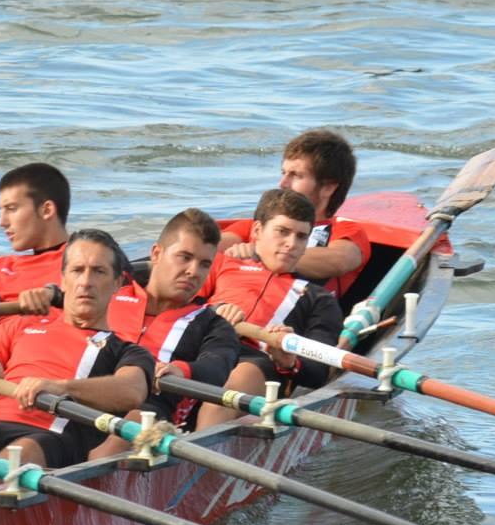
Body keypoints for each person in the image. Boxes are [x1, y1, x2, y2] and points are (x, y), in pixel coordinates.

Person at [0, 229, 154, 471]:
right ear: (63, 279)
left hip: (45, 438)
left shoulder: (126, 350)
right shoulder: (19, 325)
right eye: (77, 270)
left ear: (118, 283)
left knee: (16, 457)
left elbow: (132, 390)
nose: (86, 282)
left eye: (99, 272)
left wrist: (59, 387)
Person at [197, 188, 343, 430]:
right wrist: (215, 310)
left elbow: (318, 371)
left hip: (256, 360)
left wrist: (289, 361)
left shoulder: (319, 298)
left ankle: (198, 453)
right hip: (200, 343)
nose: (291, 244)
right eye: (282, 232)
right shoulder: (223, 263)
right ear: (257, 231)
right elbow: (178, 306)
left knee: (237, 381)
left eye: (301, 237)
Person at [111, 209, 253, 434]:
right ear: (156, 254)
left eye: (205, 264)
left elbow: (216, 368)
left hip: (151, 413)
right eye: (185, 257)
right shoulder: (110, 293)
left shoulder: (212, 324)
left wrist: (180, 371)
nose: (193, 272)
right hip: (88, 393)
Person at [214, 129, 373, 299]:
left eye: (296, 175)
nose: (282, 184)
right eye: (284, 173)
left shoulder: (345, 231)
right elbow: (207, 249)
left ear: (328, 187)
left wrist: (260, 256)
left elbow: (339, 260)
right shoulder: (256, 225)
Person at [0, 162, 71, 313]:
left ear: (46, 210)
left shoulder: (87, 265)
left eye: (11, 209)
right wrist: (18, 306)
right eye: (1, 211)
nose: (1, 222)